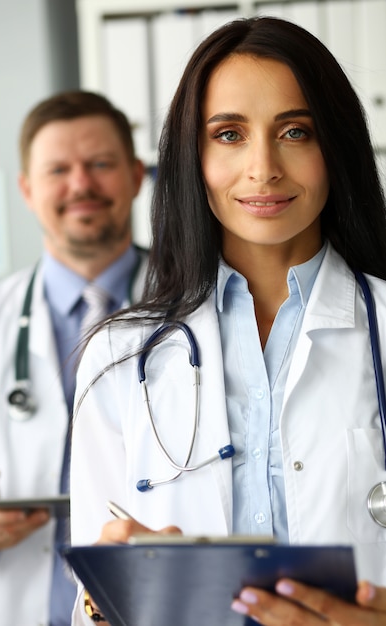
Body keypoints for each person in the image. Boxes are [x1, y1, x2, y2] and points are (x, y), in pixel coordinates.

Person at [69, 16, 386, 626]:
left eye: (295, 131)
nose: (263, 168)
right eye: (230, 135)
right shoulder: (118, 359)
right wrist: (102, 601)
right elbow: (92, 598)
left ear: (335, 146)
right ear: (193, 155)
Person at [0, 90, 146, 626]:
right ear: (26, 189)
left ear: (138, 176)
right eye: (57, 170)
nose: (80, 185)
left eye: (100, 164)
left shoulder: (205, 311)